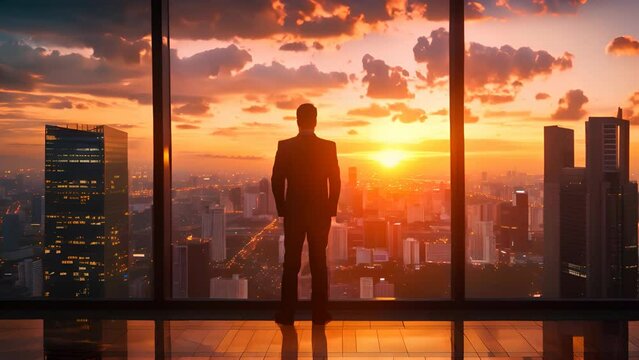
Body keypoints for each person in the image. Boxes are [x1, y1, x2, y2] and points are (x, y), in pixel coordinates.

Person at [271, 103, 341, 325]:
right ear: (316, 120)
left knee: (290, 264)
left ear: (297, 120)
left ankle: (287, 314)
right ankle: (319, 314)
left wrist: (283, 209)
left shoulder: (285, 146)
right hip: (320, 213)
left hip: (294, 212)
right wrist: (330, 209)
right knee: (319, 262)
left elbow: (276, 180)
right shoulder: (328, 147)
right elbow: (336, 181)